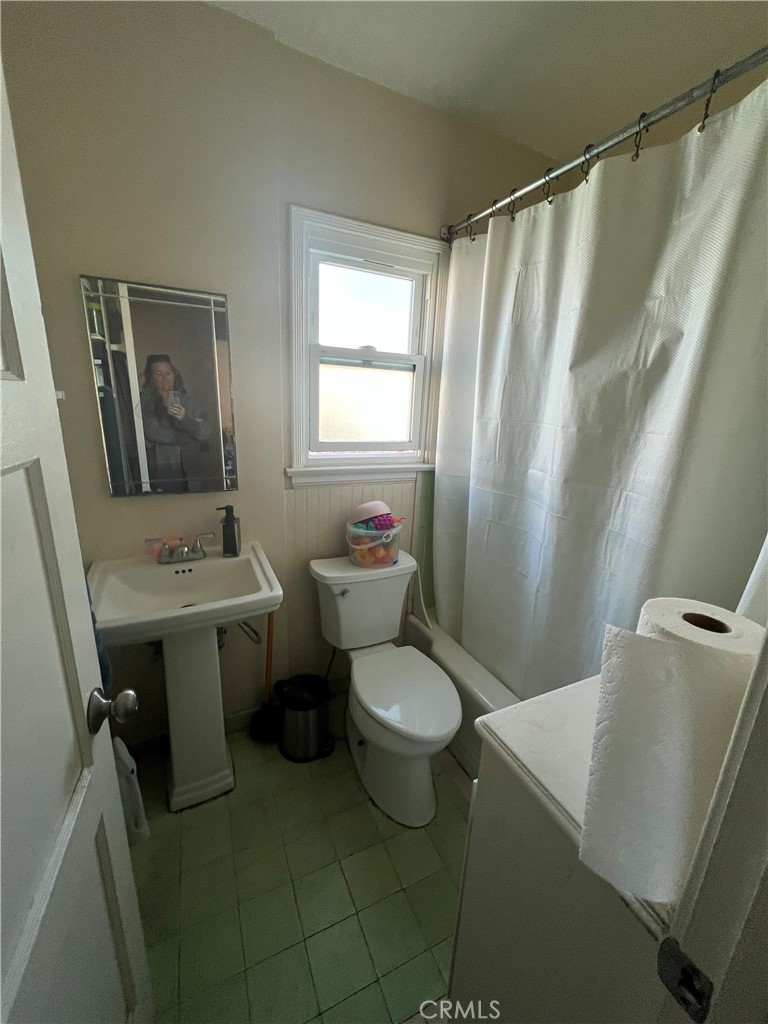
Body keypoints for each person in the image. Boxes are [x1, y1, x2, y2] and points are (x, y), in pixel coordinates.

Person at [140, 354, 212, 493]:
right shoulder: (146, 403)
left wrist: (185, 419)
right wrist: (189, 437)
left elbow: (206, 432)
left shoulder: (189, 401)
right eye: (158, 374)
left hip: (192, 472)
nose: (165, 378)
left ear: (174, 375)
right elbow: (152, 433)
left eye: (168, 373)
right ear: (151, 377)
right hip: (164, 472)